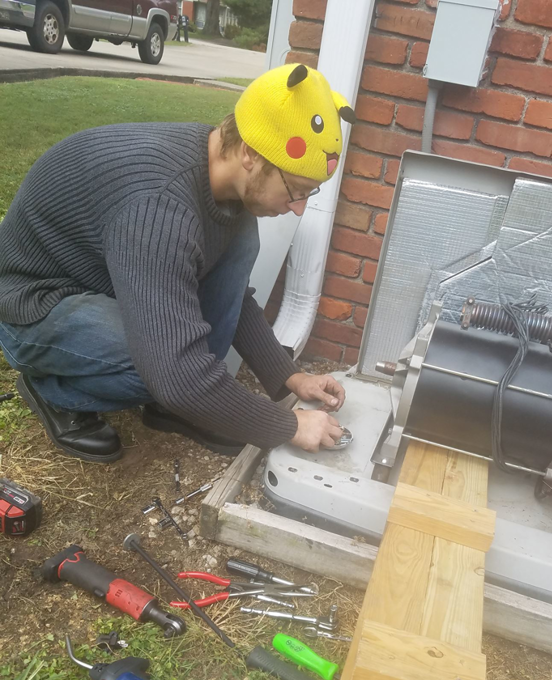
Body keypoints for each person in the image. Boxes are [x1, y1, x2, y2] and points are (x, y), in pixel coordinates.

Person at [0, 64, 356, 463]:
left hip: (106, 282)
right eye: (296, 190)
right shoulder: (159, 207)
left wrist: (288, 376)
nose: (298, 209)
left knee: (236, 250)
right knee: (161, 367)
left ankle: (177, 406)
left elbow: (231, 293)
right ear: (251, 153)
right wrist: (287, 425)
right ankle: (53, 394)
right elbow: (175, 373)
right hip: (35, 303)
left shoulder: (222, 177)